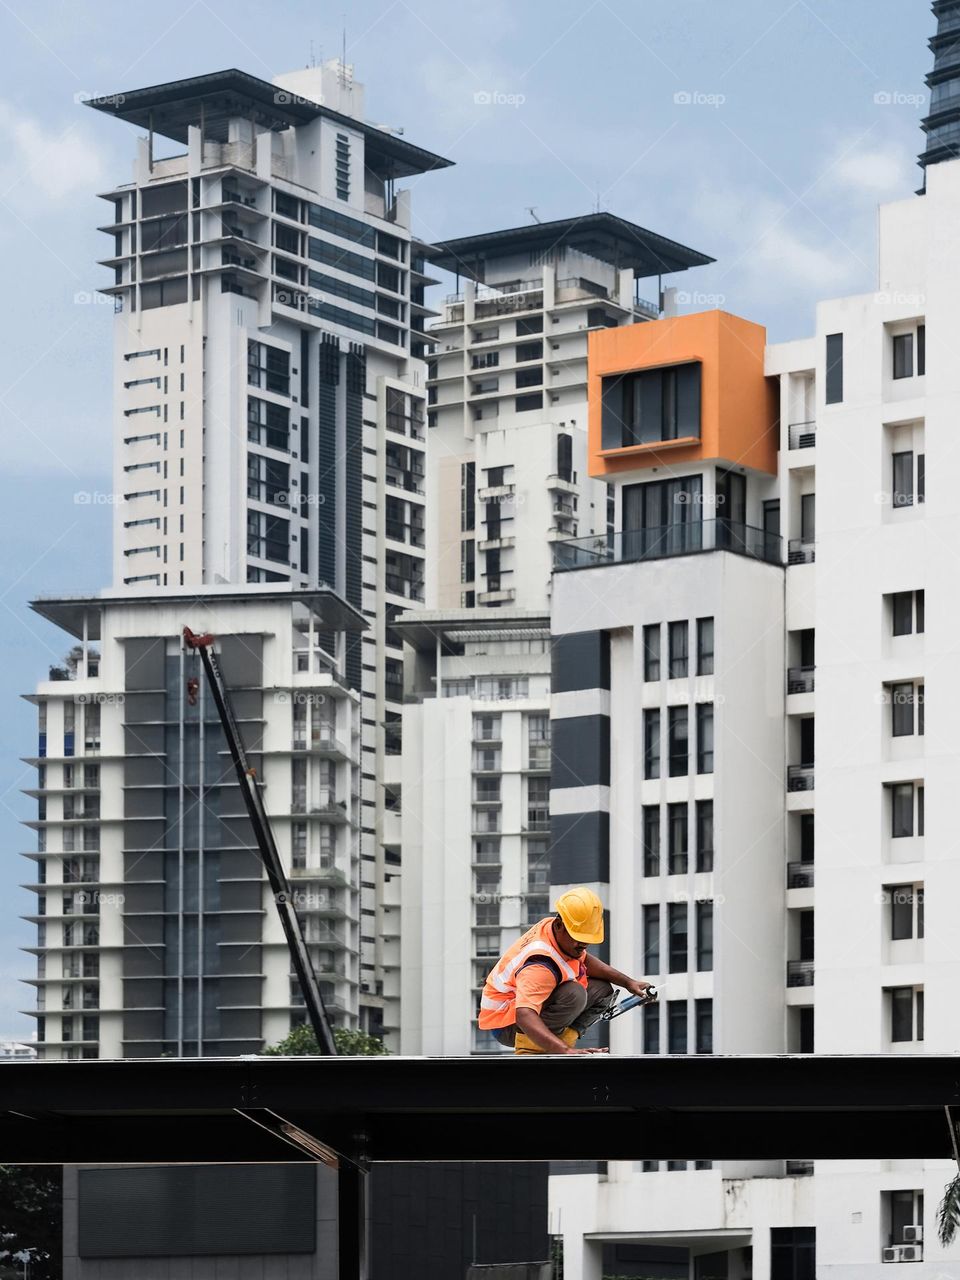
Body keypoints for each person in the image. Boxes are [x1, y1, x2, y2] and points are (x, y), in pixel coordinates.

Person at [477, 887, 656, 1055]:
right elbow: (524, 1015)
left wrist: (628, 983)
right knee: (574, 993)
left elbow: (584, 960)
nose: (584, 945)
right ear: (559, 925)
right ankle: (532, 1049)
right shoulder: (539, 964)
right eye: (579, 938)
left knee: (602, 990)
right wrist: (564, 1052)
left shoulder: (554, 931)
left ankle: (560, 1042)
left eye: (587, 939)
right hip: (507, 1024)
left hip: (523, 1011)